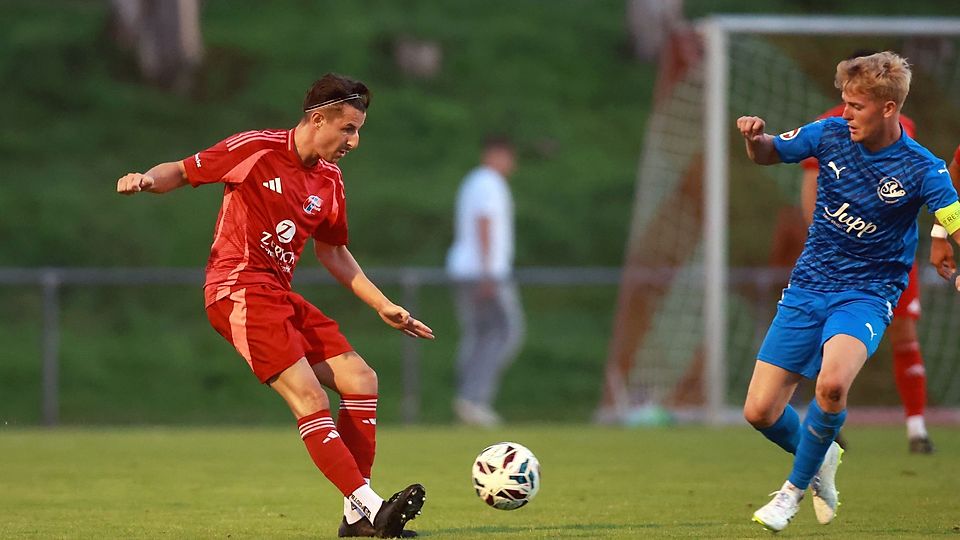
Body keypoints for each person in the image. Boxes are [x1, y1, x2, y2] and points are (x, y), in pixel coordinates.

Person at [116, 73, 432, 539]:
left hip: (279, 295)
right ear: (317, 118)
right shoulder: (256, 149)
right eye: (347, 129)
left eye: (359, 130)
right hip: (237, 289)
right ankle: (370, 507)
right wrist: (145, 180)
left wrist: (382, 305)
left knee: (362, 380)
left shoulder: (329, 180)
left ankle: (357, 522)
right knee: (311, 396)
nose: (355, 141)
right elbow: (183, 171)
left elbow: (333, 252)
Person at [736, 51, 960, 532]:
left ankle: (792, 493)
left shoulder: (924, 169)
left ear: (887, 108)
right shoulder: (830, 134)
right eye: (844, 102)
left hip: (867, 294)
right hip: (808, 287)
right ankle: (824, 456)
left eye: (856, 105)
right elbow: (771, 152)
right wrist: (756, 140)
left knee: (833, 385)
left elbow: (954, 221)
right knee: (759, 411)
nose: (845, 112)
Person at [800, 89, 933, 454]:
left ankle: (917, 429)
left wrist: (940, 234)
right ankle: (826, 419)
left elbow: (931, 187)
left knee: (905, 336)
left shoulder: (902, 128)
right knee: (834, 338)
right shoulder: (828, 126)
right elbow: (810, 188)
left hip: (891, 261)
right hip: (844, 261)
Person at [445, 136, 524, 426]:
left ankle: (468, 396)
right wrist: (489, 271)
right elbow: (484, 222)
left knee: (479, 335)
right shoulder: (489, 182)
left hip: (467, 269)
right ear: (498, 155)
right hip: (483, 272)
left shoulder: (474, 181)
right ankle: (474, 398)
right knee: (504, 333)